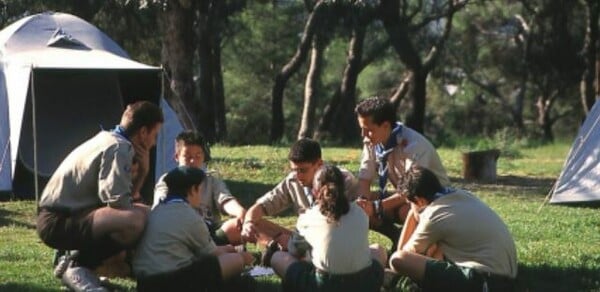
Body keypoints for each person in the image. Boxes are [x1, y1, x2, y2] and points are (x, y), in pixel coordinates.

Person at [37, 101, 164, 291]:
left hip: (63, 217)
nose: (154, 143)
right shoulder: (119, 147)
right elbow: (118, 202)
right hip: (58, 221)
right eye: (155, 135)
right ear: (143, 132)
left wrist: (142, 172)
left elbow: (125, 200)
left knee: (142, 214)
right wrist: (144, 172)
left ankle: (78, 262)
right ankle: (79, 265)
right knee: (137, 219)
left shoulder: (107, 137)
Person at [389, 165, 517, 292]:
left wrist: (412, 214)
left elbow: (402, 255)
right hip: (507, 275)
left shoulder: (434, 214)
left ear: (419, 201)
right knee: (437, 247)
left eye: (410, 203)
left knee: (399, 259)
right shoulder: (463, 195)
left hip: (484, 280)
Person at [133, 166, 255, 292]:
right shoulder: (189, 216)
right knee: (236, 261)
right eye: (200, 190)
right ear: (193, 190)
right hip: (170, 281)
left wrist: (229, 249)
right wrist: (242, 256)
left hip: (144, 283)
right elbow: (210, 254)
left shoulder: (157, 210)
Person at [269, 165, 386, 292]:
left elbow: (295, 251)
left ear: (314, 191)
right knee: (378, 250)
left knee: (278, 258)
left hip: (323, 285)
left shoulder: (309, 216)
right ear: (343, 188)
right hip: (364, 284)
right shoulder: (361, 212)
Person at [354, 96, 449, 251]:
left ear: (385, 126)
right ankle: (396, 236)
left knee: (408, 211)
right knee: (357, 204)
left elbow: (413, 190)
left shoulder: (413, 145)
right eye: (361, 129)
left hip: (431, 199)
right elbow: (365, 178)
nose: (363, 135)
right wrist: (363, 204)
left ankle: (420, 250)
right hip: (406, 195)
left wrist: (377, 207)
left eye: (368, 130)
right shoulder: (372, 141)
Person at [241, 138, 359, 257]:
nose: (298, 176)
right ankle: (274, 249)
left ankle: (280, 251)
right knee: (252, 221)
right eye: (294, 170)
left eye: (303, 170)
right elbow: (261, 206)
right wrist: (248, 224)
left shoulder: (344, 181)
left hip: (332, 242)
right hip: (303, 240)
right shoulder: (293, 181)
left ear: (319, 164)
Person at [153, 130, 247, 245]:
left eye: (198, 156)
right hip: (183, 233)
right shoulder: (168, 180)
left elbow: (225, 199)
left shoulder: (211, 179)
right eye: (187, 157)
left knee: (238, 225)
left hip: (210, 230)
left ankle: (270, 246)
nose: (193, 161)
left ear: (203, 157)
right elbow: (161, 208)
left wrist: (240, 212)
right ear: (177, 157)